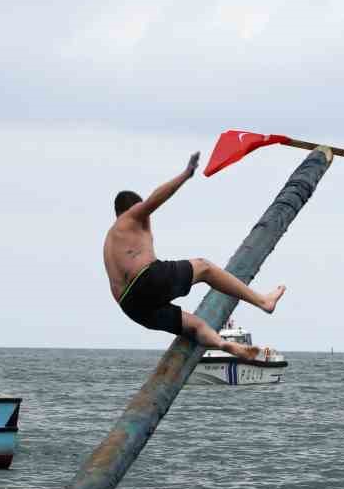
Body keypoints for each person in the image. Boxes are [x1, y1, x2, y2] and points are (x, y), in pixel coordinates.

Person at [103, 151, 284, 361]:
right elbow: (154, 199)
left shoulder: (110, 242)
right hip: (146, 280)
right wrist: (186, 174)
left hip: (132, 307)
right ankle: (263, 301)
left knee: (195, 326)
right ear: (132, 208)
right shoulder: (130, 217)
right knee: (204, 267)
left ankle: (224, 344)